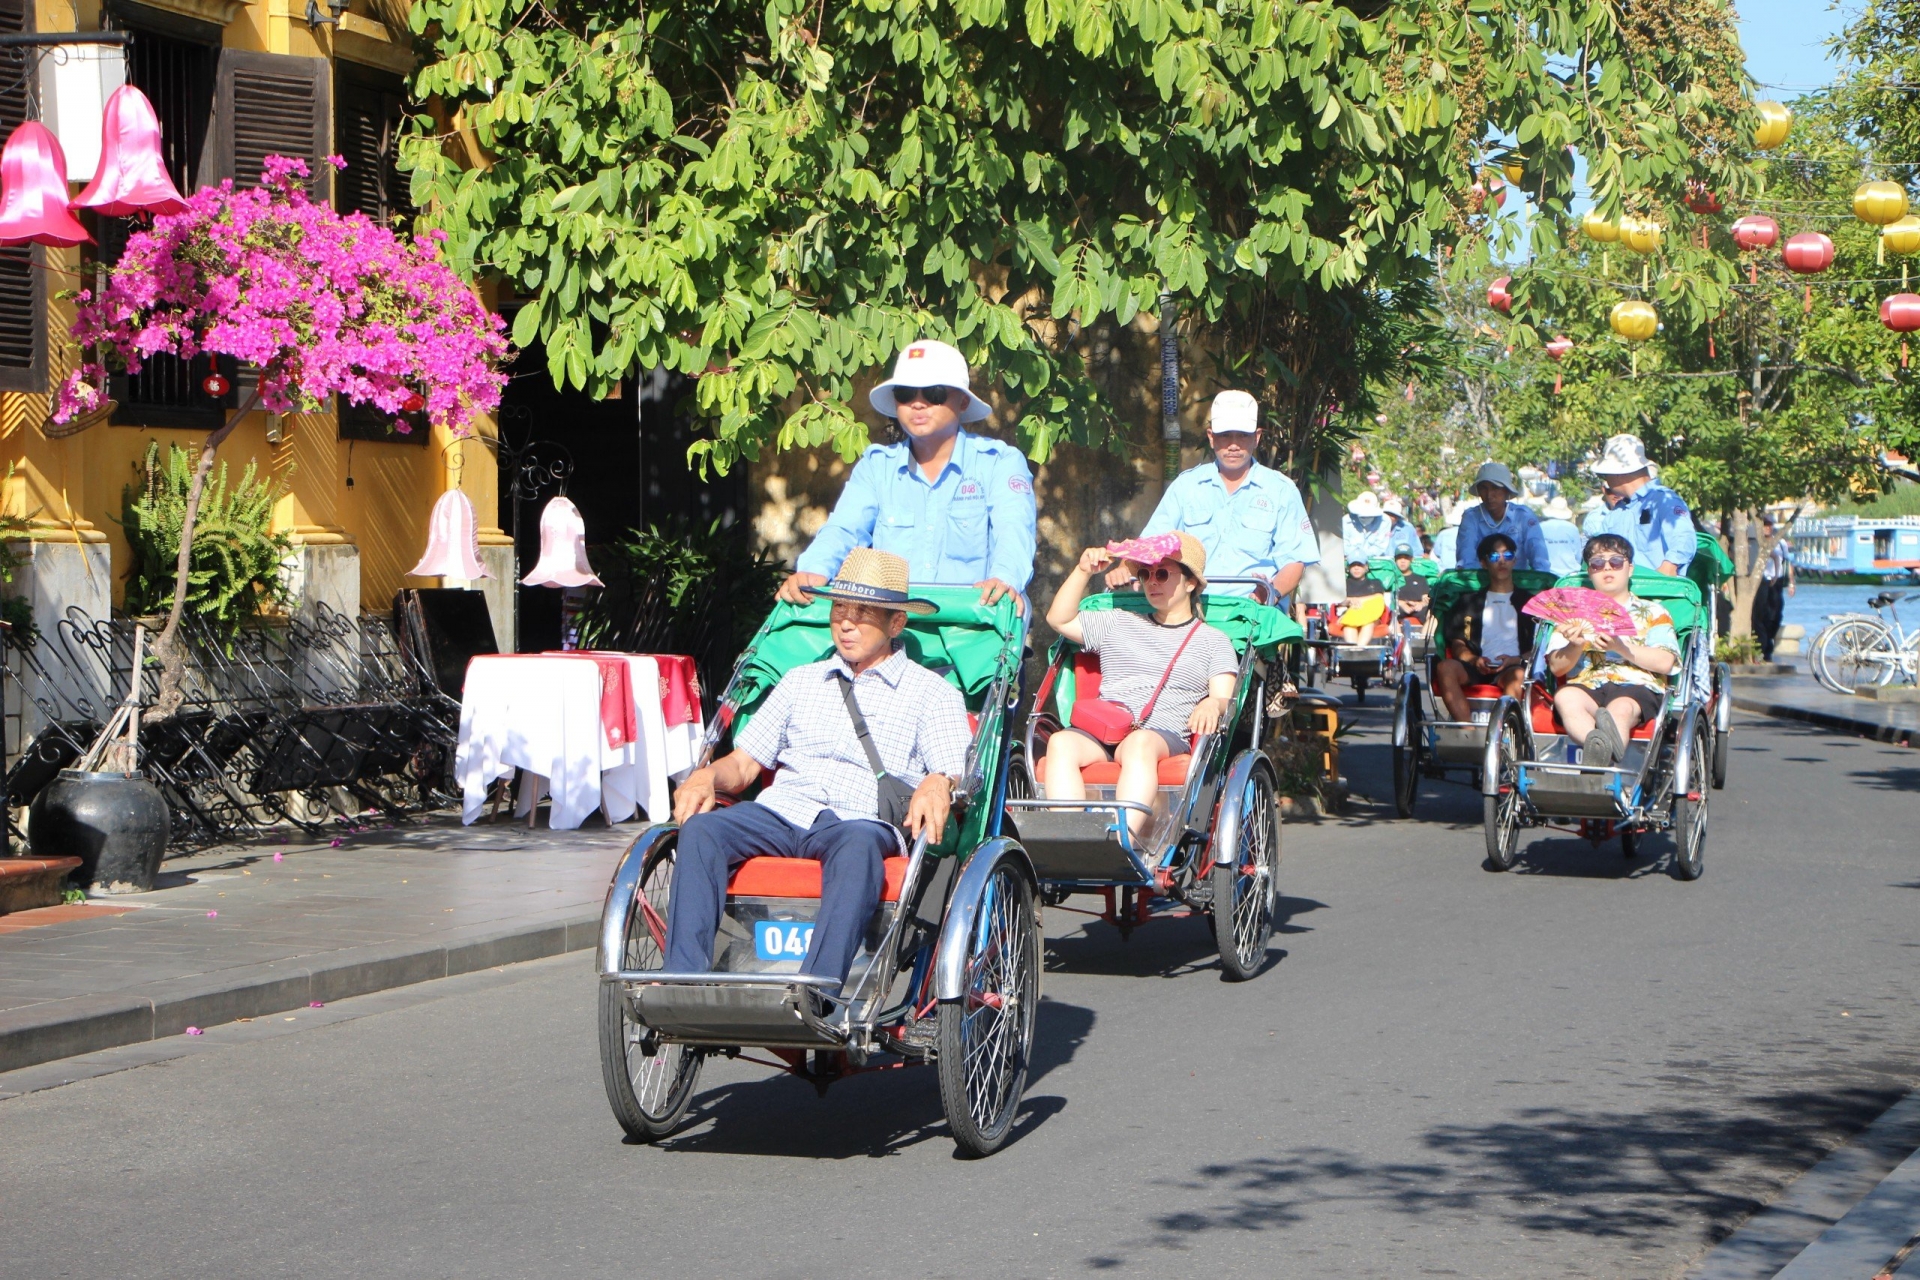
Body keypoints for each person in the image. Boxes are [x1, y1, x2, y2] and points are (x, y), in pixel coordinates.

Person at [667, 549, 971, 986]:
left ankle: (817, 991)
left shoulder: (930, 693)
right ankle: (683, 982)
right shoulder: (800, 681)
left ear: (896, 623)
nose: (846, 622)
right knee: (702, 830)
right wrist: (707, 775)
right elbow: (745, 763)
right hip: (782, 811)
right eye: (839, 610)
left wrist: (936, 783)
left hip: (858, 819)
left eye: (863, 613)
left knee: (857, 846)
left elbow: (949, 768)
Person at [780, 339, 1037, 612]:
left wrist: (1004, 579)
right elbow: (843, 530)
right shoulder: (876, 467)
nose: (917, 404)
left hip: (970, 626)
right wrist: (812, 571)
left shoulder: (999, 463)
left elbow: (1014, 532)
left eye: (934, 393)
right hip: (886, 630)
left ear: (962, 401)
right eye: (905, 393)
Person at [1045, 532, 1239, 836]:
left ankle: (1119, 840)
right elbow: (1059, 620)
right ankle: (1071, 838)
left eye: (1163, 573)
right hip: (1107, 730)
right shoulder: (1119, 621)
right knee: (1060, 743)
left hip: (1161, 734)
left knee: (1139, 744)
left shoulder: (1213, 641)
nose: (1152, 582)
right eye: (1146, 574)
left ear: (1190, 583)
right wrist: (1083, 570)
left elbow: (1224, 699)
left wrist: (1211, 702)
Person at [1130, 390, 1318, 601]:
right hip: (1191, 611)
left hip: (1255, 614)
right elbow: (1151, 544)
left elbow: (1295, 560)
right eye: (1225, 435)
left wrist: (1269, 594)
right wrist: (1123, 567)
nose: (1234, 445)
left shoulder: (1281, 490)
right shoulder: (1186, 486)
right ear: (1211, 437)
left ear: (1257, 438)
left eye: (1243, 435)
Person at [1546, 534, 1683, 767]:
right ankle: (1599, 747)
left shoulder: (1653, 612)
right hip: (1586, 682)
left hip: (1637, 685)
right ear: (1590, 572)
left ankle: (1600, 752)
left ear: (1629, 569)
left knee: (1619, 709)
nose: (1607, 568)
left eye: (1616, 562)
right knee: (1566, 697)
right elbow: (1557, 667)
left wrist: (1622, 647)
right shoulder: (1572, 615)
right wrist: (1576, 645)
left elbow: (1665, 662)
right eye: (1597, 563)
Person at [1433, 533, 1541, 721]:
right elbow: (1458, 644)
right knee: (1445, 668)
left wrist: (1517, 659)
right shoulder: (1468, 602)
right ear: (1484, 563)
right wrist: (1474, 660)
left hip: (1513, 667)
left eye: (1507, 556)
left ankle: (1505, 734)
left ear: (1514, 560)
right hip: (1475, 666)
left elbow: (1538, 647)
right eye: (1493, 556)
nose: (1501, 562)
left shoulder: (1530, 603)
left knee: (1518, 674)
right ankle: (1466, 730)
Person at [1581, 434, 1695, 576]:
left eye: (1606, 474)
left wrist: (1669, 567)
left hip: (1659, 592)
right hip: (1619, 593)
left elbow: (1683, 536)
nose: (1606, 479)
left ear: (1618, 473)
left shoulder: (1664, 500)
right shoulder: (1617, 513)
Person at [1455, 461, 1550, 573]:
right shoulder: (1470, 517)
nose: (1489, 495)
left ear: (1506, 491)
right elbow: (1466, 561)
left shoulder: (1523, 516)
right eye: (1484, 488)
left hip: (1518, 585)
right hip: (1480, 586)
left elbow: (1540, 560)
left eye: (1495, 488)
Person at [1753, 515, 1796, 661]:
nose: (1767, 527)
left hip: (1775, 582)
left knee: (1776, 614)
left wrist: (1791, 582)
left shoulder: (1780, 543)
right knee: (1760, 614)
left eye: (1769, 525)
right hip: (1760, 582)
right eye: (1765, 525)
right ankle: (1763, 648)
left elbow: (1786, 562)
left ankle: (1768, 642)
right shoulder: (1756, 542)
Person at [1334, 558, 1390, 644]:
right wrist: (1349, 601)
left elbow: (1378, 597)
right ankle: (1353, 652)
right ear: (1348, 567)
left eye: (1360, 565)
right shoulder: (1343, 584)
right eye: (1353, 565)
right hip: (1349, 615)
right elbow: (1339, 601)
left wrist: (1357, 600)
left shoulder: (1375, 583)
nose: (1356, 568)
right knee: (1349, 626)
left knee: (1368, 623)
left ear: (1366, 567)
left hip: (1370, 616)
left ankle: (1360, 649)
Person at [1341, 491, 1398, 566]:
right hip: (1351, 563)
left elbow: (1380, 546)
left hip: (1375, 564)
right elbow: (1344, 545)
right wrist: (1357, 557)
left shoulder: (1385, 521)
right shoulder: (1346, 521)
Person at [1538, 493, 1586, 578]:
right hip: (1570, 575)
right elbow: (1578, 555)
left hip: (1546, 575)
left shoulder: (1540, 527)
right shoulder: (1572, 528)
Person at [1393, 548, 1431, 629]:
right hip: (1398, 608)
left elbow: (1426, 598)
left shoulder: (1421, 579)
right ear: (1395, 560)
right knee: (1392, 612)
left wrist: (1421, 604)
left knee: (1431, 613)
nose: (1402, 561)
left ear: (1412, 559)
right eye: (1399, 558)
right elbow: (1386, 598)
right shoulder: (1391, 578)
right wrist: (1402, 603)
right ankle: (1397, 639)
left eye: (1406, 558)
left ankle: (1425, 639)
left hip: (1418, 609)